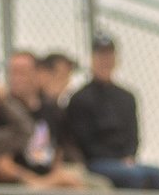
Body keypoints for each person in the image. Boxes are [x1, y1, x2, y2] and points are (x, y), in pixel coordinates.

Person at [61, 33, 142, 177]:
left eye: (109, 56)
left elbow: (133, 138)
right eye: (101, 56)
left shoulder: (127, 97)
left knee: (157, 175)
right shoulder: (80, 98)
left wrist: (129, 157)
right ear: (92, 59)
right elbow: (85, 142)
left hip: (125, 162)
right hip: (96, 162)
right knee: (133, 176)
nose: (105, 61)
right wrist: (117, 160)